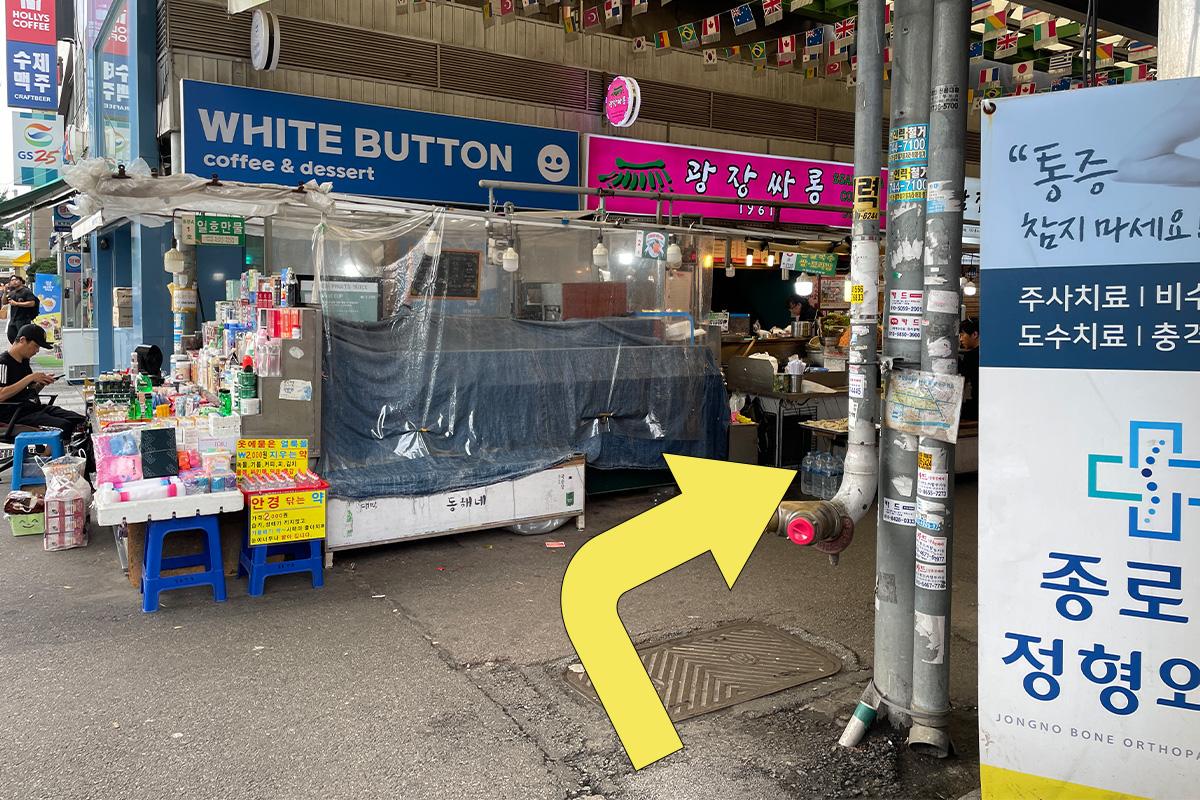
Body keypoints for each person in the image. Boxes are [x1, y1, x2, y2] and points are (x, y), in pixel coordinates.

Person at [0, 324, 85, 438]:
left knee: (79, 419)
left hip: (33, 408)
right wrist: (30, 378)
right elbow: (1, 395)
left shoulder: (24, 362)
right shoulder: (3, 363)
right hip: (14, 414)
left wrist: (41, 384)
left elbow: (29, 391)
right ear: (22, 340)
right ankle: (48, 454)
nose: (37, 351)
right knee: (64, 425)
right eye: (35, 346)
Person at [3, 275, 40, 344]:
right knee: (11, 336)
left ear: (21, 281)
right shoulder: (12, 292)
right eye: (12, 280)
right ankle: (17, 351)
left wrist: (16, 303)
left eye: (16, 279)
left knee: (23, 338)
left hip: (23, 319)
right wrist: (5, 292)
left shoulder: (26, 291)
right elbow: (4, 302)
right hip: (13, 319)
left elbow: (32, 303)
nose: (14, 281)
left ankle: (24, 352)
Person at [959, 317, 980, 422]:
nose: (961, 339)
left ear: (974, 334)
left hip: (976, 409)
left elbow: (962, 381)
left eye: (962, 335)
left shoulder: (971, 356)